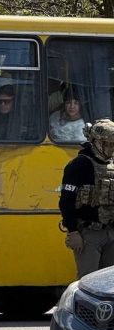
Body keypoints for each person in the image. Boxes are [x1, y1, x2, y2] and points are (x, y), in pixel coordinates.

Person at [59, 118, 114, 279]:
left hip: (111, 232)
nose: (110, 148)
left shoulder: (111, 165)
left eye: (113, 144)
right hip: (88, 235)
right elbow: (66, 201)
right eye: (107, 144)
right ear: (95, 142)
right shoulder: (79, 165)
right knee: (88, 281)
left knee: (109, 284)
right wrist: (73, 231)